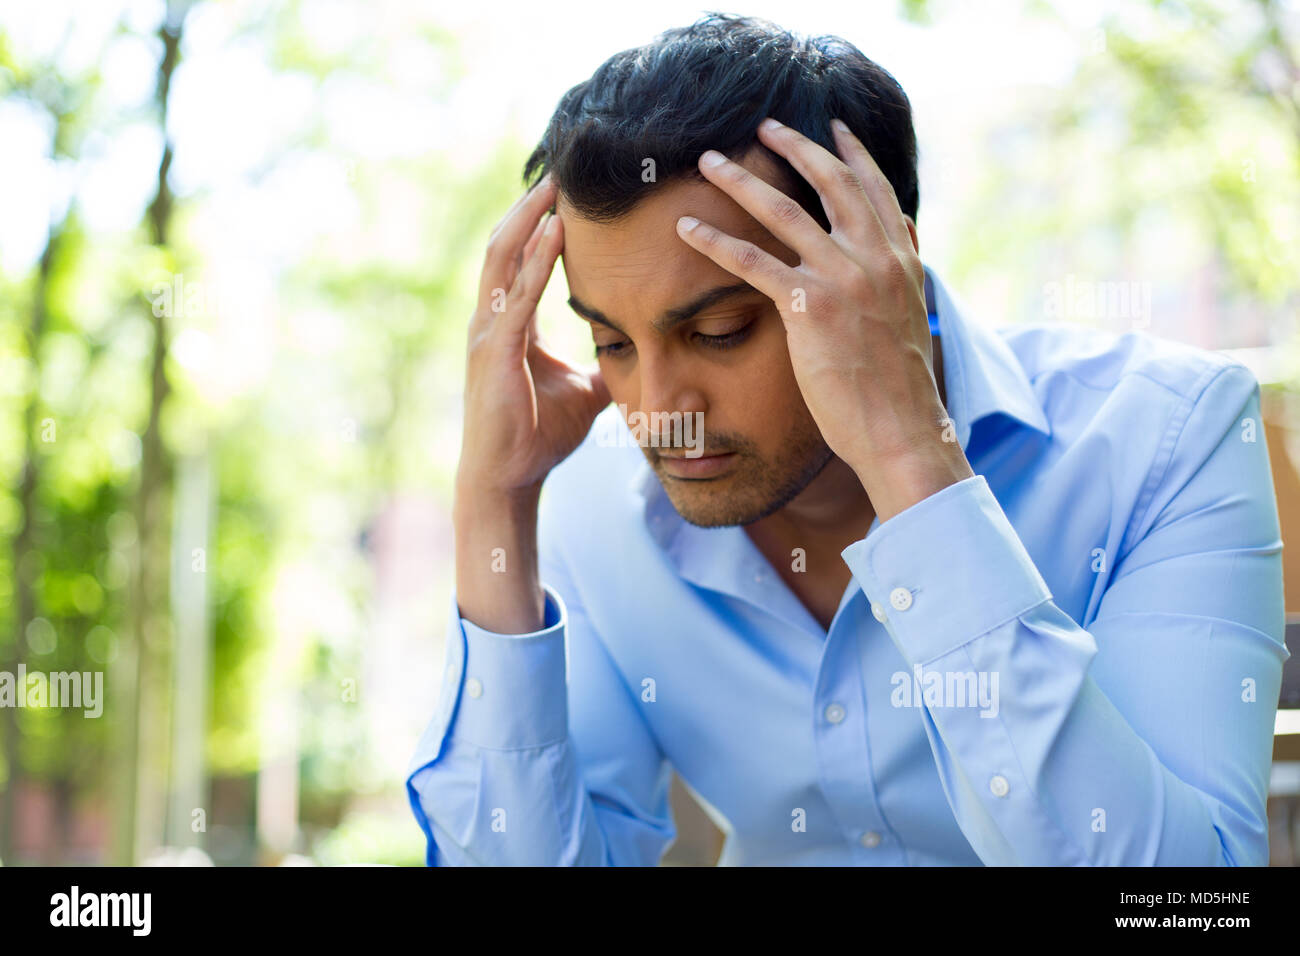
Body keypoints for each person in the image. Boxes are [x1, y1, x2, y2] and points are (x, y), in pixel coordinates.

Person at [406, 13, 1287, 865]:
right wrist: (494, 504)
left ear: (881, 272)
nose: (656, 410)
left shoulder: (1167, 438)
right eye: (612, 343)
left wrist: (913, 467)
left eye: (719, 331)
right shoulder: (592, 516)